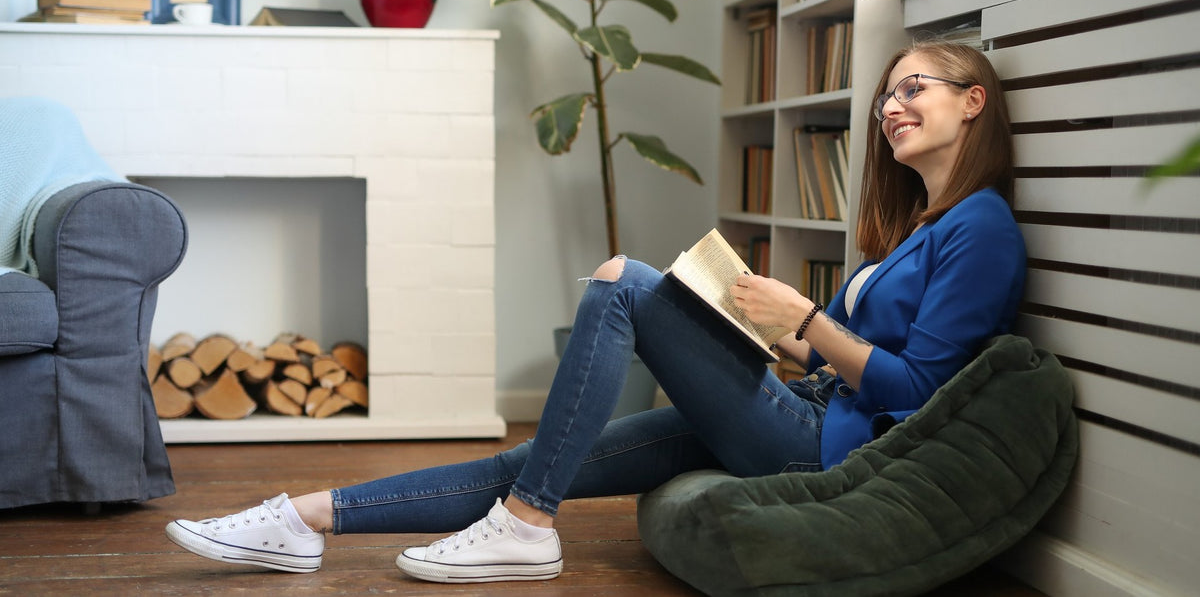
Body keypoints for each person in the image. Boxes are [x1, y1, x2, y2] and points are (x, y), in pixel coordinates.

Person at [164, 40, 1026, 583]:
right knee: (535, 459)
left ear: (973, 100)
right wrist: (751, 318)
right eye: (885, 96)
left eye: (913, 87)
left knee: (623, 282)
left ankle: (527, 526)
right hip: (799, 406)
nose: (890, 107)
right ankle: (304, 517)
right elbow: (820, 354)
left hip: (824, 444)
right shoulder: (916, 227)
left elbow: (919, 391)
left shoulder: (982, 229)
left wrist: (804, 318)